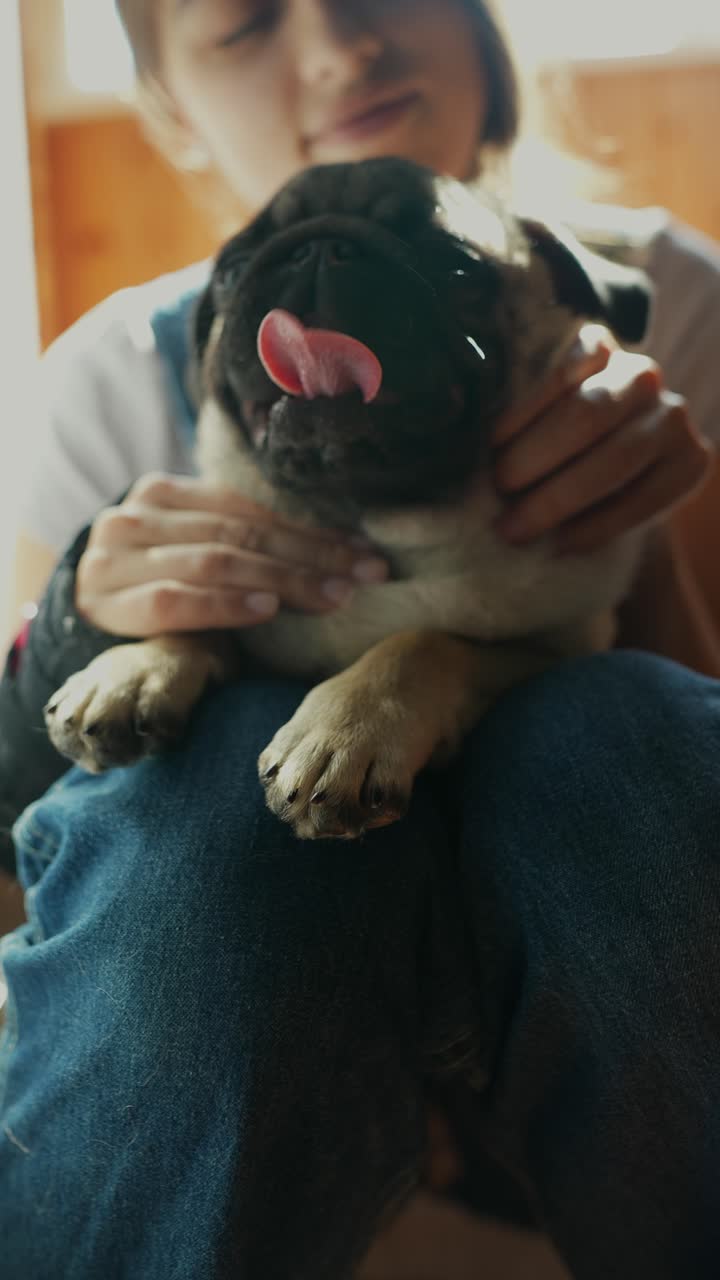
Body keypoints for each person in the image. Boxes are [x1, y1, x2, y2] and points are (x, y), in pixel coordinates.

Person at [2, 2, 720, 1276]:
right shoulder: (107, 379)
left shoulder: (672, 306)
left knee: (619, 731)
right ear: (164, 101)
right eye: (244, 22)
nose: (339, 45)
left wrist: (634, 521)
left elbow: (687, 745)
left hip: (583, 918)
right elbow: (18, 807)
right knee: (199, 821)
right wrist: (74, 629)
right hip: (246, 951)